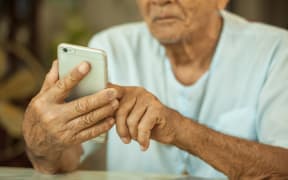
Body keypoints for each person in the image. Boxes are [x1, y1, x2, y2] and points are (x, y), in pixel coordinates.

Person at [22, 0, 288, 179]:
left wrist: (179, 129)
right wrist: (43, 143)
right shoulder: (112, 46)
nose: (160, 1)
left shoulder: (277, 50)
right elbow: (66, 159)